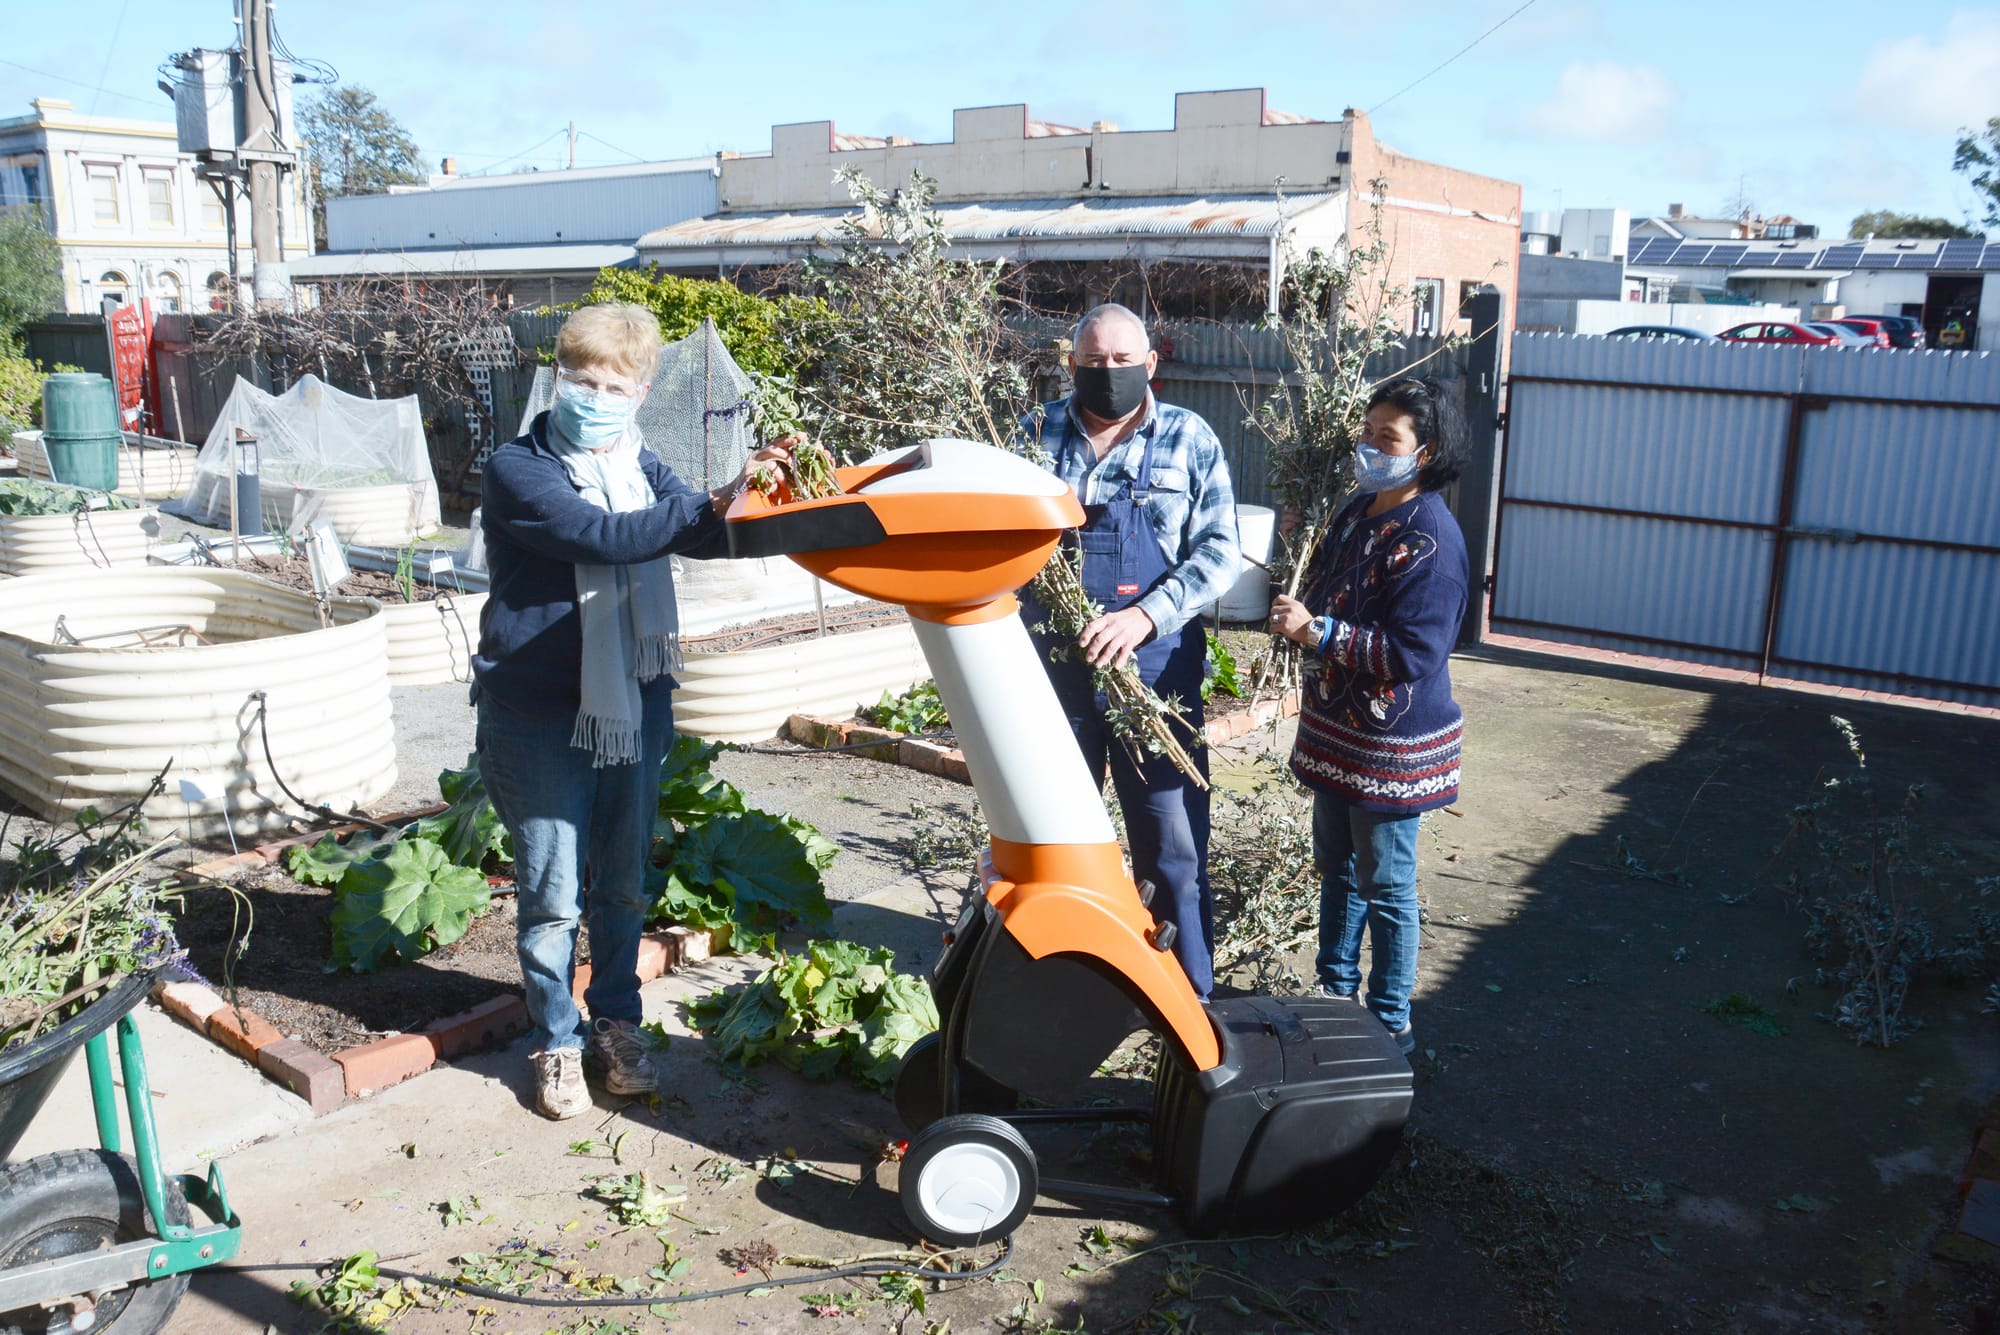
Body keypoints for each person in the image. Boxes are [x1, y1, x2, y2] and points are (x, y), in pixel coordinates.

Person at [472, 303, 792, 1120]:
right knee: (551, 894)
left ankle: (616, 1023)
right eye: (582, 379)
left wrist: (767, 502)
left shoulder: (639, 458)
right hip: (540, 712)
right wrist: (709, 504)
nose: (595, 395)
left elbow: (703, 532)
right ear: (558, 376)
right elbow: (602, 535)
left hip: (633, 705)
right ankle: (554, 1039)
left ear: (643, 389)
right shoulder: (519, 466)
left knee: (619, 882)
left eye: (615, 383)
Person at [1020, 302, 1241, 1000]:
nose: (1106, 372)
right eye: (1092, 360)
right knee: (1051, 837)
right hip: (1053, 668)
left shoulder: (1188, 437)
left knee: (1171, 843)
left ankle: (1185, 1000)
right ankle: (1055, 993)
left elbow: (1220, 551)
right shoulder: (1033, 435)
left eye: (1121, 360)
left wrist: (1145, 615)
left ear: (1150, 365)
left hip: (1152, 670)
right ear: (1072, 363)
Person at [1268, 375, 1469, 1055]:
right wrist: (1297, 549)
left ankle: (1389, 1022)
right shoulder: (1358, 511)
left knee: (1386, 884)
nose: (1372, 447)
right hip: (1337, 734)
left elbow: (1415, 652)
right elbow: (1322, 592)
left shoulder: (1432, 541)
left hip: (1391, 747)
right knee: (1340, 869)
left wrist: (1318, 634)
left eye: (1389, 438)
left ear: (1427, 450)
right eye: (1369, 432)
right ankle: (1334, 992)